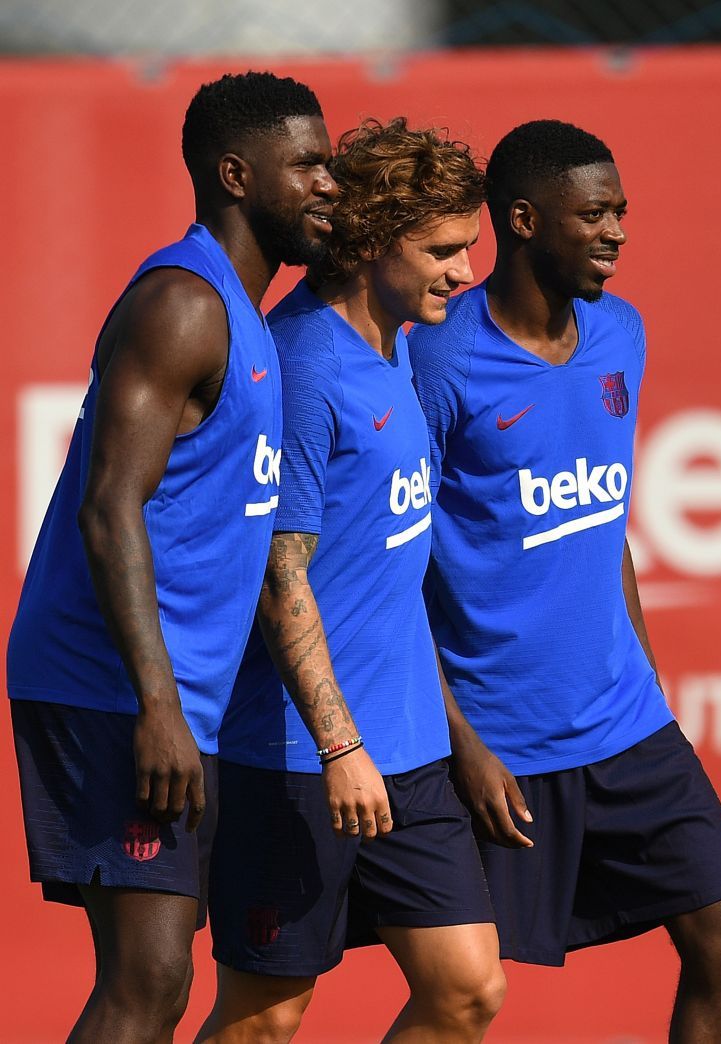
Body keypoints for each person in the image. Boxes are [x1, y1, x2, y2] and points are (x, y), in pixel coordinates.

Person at [408, 119, 721, 1042]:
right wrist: (461, 742)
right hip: (500, 742)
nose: (617, 233)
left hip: (626, 725)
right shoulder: (439, 360)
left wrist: (644, 679)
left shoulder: (621, 333)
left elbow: (605, 528)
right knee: (462, 1000)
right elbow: (389, 569)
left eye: (623, 213)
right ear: (523, 220)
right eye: (594, 214)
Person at [6, 71, 337, 1043]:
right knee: (146, 983)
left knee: (158, 980)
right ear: (236, 174)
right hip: (113, 687)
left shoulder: (251, 319)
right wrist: (157, 705)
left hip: (168, 693)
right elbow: (108, 510)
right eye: (308, 164)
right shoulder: (185, 305)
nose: (329, 183)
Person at [198, 117, 505, 1044]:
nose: (464, 271)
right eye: (443, 251)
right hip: (296, 760)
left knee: (466, 990)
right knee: (267, 1016)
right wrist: (341, 749)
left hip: (408, 753)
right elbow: (276, 575)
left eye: (470, 248)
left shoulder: (400, 338)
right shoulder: (300, 366)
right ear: (370, 245)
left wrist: (450, 732)